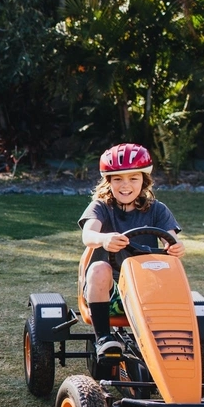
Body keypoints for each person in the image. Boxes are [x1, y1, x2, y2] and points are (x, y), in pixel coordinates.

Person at [79, 143, 184, 361]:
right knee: (99, 267)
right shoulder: (101, 207)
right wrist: (103, 238)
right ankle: (104, 339)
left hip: (148, 289)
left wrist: (175, 246)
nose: (125, 185)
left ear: (144, 181)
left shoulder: (157, 209)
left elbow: (171, 238)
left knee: (189, 297)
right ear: (108, 181)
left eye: (133, 178)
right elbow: (88, 235)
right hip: (112, 292)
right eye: (118, 179)